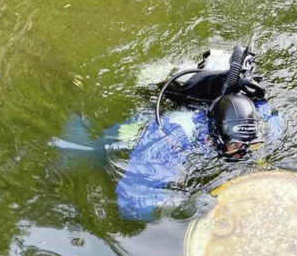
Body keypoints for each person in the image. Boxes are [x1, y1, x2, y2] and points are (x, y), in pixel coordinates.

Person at [54, 41, 284, 222]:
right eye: (234, 145)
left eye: (250, 145)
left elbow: (273, 121)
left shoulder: (259, 126)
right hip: (140, 135)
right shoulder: (173, 138)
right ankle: (74, 91)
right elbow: (131, 201)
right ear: (212, 136)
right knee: (84, 154)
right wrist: (181, 207)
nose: (241, 154)